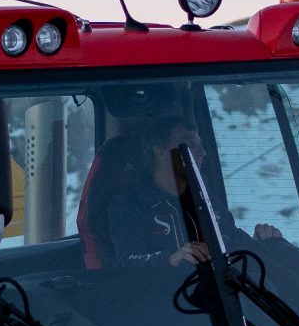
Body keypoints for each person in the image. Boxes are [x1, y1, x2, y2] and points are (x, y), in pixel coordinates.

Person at [83, 101, 276, 268]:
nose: (202, 152)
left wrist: (263, 242)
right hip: (168, 302)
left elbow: (234, 241)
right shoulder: (128, 205)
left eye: (200, 144)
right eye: (190, 144)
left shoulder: (207, 201)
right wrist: (173, 258)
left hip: (223, 299)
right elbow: (128, 263)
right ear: (160, 152)